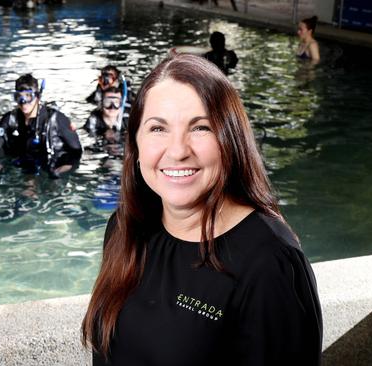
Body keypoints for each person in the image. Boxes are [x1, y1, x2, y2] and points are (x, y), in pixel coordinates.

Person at [82, 54, 322, 365]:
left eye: (200, 128)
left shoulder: (269, 264)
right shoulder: (126, 227)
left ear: (230, 139)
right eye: (158, 129)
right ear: (136, 142)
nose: (179, 150)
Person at [0, 73, 82, 178]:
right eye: (19, 97)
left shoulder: (56, 119)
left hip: (52, 169)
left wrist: (60, 171)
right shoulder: (10, 119)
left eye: (28, 96)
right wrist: (2, 164)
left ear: (37, 97)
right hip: (24, 167)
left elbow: (76, 151)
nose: (23, 102)